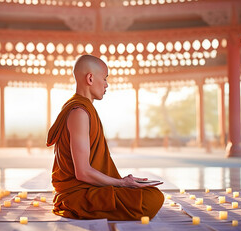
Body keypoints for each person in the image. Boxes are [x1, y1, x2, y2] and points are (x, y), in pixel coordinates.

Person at [46, 55, 164, 221]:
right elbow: (83, 172)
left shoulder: (83, 109)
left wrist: (123, 182)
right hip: (78, 193)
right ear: (90, 78)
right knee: (152, 198)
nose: (107, 84)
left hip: (88, 188)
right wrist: (122, 183)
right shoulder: (79, 113)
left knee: (150, 193)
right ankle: (76, 206)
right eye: (105, 78)